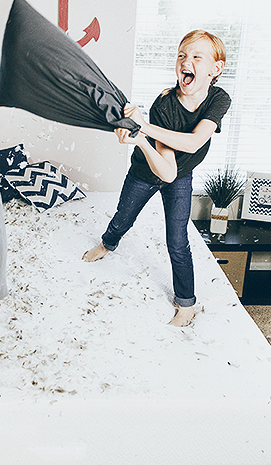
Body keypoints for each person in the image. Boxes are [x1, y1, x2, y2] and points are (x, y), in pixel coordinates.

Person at [83, 30, 231, 327]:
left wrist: (143, 127)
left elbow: (193, 143)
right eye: (182, 55)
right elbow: (165, 169)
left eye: (196, 56)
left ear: (215, 69)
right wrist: (140, 139)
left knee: (178, 240)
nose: (186, 61)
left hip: (181, 174)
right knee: (123, 218)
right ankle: (107, 244)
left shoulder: (219, 99)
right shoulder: (164, 104)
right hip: (147, 170)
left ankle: (186, 303)